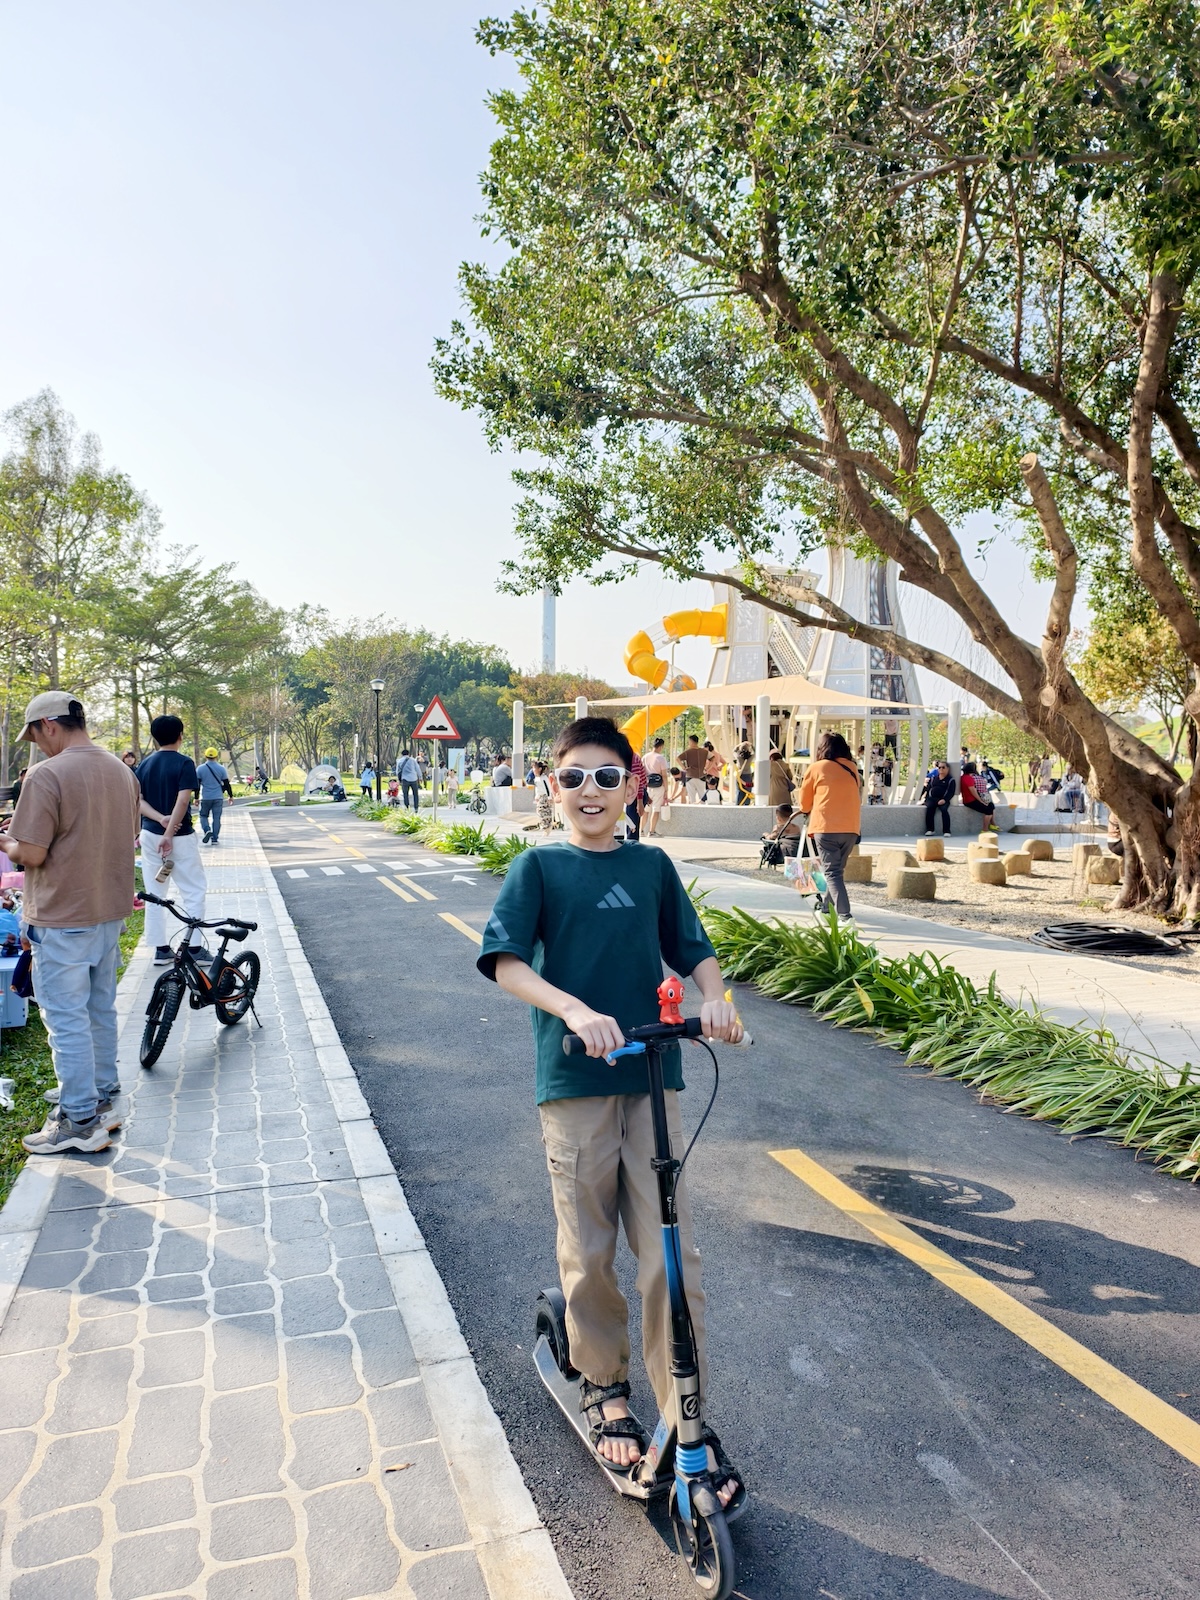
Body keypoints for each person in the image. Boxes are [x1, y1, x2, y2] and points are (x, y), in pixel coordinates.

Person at [479, 715, 744, 1505]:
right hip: (575, 1081)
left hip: (654, 1079)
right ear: (551, 786)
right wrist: (572, 1009)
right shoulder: (539, 866)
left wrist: (715, 998)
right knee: (589, 1247)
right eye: (573, 778)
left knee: (670, 1256)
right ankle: (603, 1383)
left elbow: (692, 949)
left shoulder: (652, 865)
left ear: (632, 785)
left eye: (605, 777)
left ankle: (683, 1415)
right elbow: (504, 960)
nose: (589, 792)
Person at [1, 691, 140, 1155]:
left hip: (62, 915)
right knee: (99, 1009)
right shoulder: (121, 771)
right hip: (108, 911)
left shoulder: (47, 774)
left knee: (65, 1019)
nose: (38, 746)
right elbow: (127, 835)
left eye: (36, 736)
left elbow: (31, 852)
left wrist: (7, 843)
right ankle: (103, 1098)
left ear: (49, 725)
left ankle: (79, 1119)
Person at [136, 715, 207, 966]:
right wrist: (169, 832)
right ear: (180, 735)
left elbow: (138, 801)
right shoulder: (184, 763)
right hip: (179, 838)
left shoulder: (144, 765)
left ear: (155, 737)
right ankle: (194, 948)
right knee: (193, 890)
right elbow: (183, 800)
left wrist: (160, 819)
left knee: (155, 892)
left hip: (149, 835)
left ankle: (161, 949)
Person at [797, 731, 862, 920]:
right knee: (836, 872)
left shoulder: (817, 768)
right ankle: (826, 910)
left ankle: (845, 916)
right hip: (850, 828)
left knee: (832, 873)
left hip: (825, 827)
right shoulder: (852, 767)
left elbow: (804, 804)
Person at [196, 747, 233, 844]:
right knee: (216, 818)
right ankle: (215, 839)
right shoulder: (221, 769)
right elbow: (227, 784)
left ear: (205, 756)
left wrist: (196, 798)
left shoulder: (200, 769)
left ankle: (207, 830)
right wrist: (230, 796)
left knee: (203, 816)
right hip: (218, 797)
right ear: (217, 756)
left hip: (205, 797)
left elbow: (197, 785)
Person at [642, 737, 670, 837]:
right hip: (658, 787)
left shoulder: (645, 757)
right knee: (656, 809)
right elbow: (664, 775)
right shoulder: (661, 758)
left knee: (646, 809)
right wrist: (666, 789)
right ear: (661, 746)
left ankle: (641, 831)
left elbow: (642, 771)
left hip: (647, 786)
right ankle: (651, 831)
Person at [921, 761, 956, 836]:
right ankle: (930, 829)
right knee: (929, 809)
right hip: (932, 799)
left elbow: (951, 792)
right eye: (939, 767)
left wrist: (945, 800)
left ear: (947, 769)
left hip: (943, 799)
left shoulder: (950, 780)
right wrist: (926, 799)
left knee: (944, 810)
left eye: (943, 767)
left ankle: (946, 831)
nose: (941, 769)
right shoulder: (933, 778)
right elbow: (928, 789)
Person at [959, 761, 997, 828]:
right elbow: (973, 792)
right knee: (989, 810)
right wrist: (981, 801)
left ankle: (992, 824)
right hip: (970, 801)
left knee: (991, 805)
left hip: (968, 800)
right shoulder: (969, 778)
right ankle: (985, 829)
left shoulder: (963, 777)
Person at [625, 749, 647, 840]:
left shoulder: (632, 758)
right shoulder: (634, 756)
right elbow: (643, 779)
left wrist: (639, 801)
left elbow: (637, 782)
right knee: (632, 824)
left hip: (635, 795)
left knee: (632, 826)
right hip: (637, 794)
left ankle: (631, 845)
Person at [680, 735, 707, 803]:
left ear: (691, 741)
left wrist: (683, 767)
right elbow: (713, 758)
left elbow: (677, 758)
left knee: (691, 797)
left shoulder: (687, 752)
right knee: (702, 796)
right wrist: (707, 768)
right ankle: (703, 808)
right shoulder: (704, 751)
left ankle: (692, 808)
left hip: (690, 776)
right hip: (701, 776)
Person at [532, 759, 554, 834]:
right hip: (540, 797)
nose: (533, 770)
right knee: (540, 811)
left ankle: (547, 827)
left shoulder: (544, 778)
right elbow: (537, 788)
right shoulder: (536, 778)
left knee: (544, 811)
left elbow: (548, 788)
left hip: (545, 797)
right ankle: (545, 826)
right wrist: (536, 796)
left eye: (534, 768)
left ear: (539, 769)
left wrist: (549, 797)